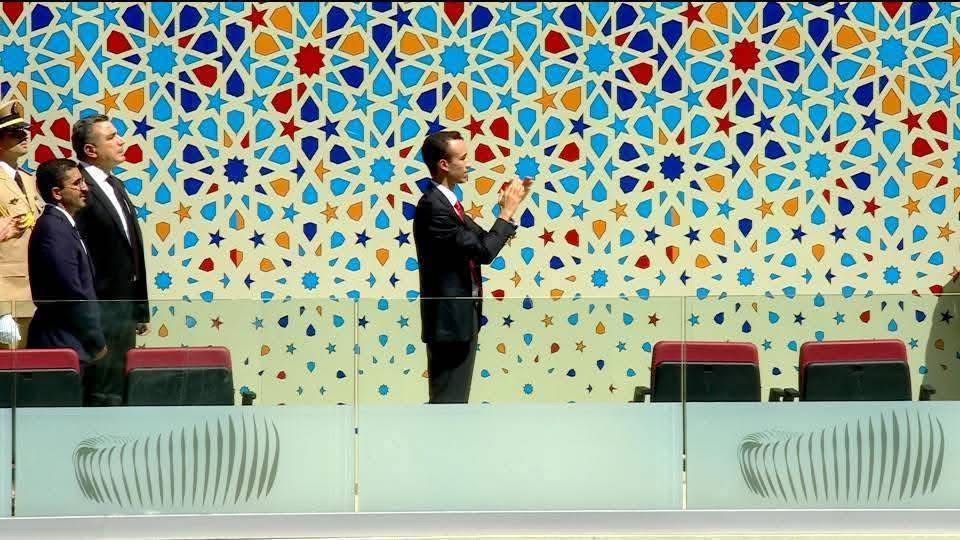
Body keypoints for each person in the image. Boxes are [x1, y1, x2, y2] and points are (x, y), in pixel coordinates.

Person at [412, 130, 531, 404]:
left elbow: (483, 241)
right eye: (463, 158)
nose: (469, 164)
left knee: (456, 402)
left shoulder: (449, 204)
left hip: (462, 320)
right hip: (449, 324)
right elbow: (485, 252)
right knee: (448, 403)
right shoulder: (434, 207)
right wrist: (506, 212)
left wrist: (506, 212)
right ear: (444, 164)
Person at [72, 115, 148, 406]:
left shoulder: (115, 184)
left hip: (123, 308)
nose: (121, 141)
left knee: (120, 384)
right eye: (112, 137)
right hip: (99, 308)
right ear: (90, 150)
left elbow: (131, 250)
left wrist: (140, 307)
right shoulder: (78, 188)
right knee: (99, 388)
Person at [27, 158, 107, 395]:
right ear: (57, 193)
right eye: (77, 183)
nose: (85, 188)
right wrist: (96, 340)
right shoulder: (54, 230)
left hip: (71, 343)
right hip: (59, 345)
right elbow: (71, 292)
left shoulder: (64, 225)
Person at [0, 99, 44, 349]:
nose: (24, 136)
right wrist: (1, 309)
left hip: (32, 293)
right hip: (6, 295)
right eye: (14, 133)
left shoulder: (27, 179)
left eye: (24, 131)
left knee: (28, 365)